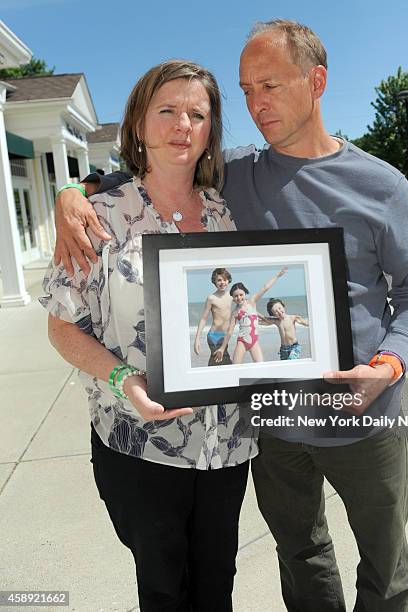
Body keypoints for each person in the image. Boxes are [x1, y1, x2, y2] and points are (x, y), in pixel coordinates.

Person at [52, 19, 408, 612]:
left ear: (317, 80)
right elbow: (157, 165)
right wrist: (74, 190)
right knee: (302, 557)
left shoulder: (379, 183)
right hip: (274, 422)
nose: (257, 105)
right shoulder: (238, 173)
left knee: (386, 567)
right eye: (247, 90)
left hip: (363, 413)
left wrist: (388, 365)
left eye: (271, 85)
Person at [40, 60, 257, 612]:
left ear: (211, 130)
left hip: (226, 440)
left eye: (197, 114)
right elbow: (62, 325)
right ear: (138, 123)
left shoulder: (227, 214)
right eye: (167, 110)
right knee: (163, 587)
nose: (182, 125)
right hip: (140, 440)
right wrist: (122, 377)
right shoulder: (97, 216)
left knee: (217, 581)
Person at [215, 267, 287, 364]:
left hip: (254, 341)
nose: (239, 298)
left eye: (241, 294)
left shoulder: (252, 302)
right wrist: (222, 348)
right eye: (235, 296)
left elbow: (265, 287)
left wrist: (278, 276)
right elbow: (229, 331)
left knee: (260, 366)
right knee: (235, 367)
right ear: (232, 297)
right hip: (242, 341)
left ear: (245, 293)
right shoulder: (235, 312)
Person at [194, 267, 234, 365]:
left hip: (226, 336)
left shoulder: (232, 296)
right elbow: (204, 318)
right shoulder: (211, 298)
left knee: (219, 361)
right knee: (222, 360)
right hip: (214, 336)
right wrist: (197, 339)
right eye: (219, 280)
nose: (222, 282)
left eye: (224, 279)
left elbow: (244, 306)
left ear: (228, 280)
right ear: (214, 282)